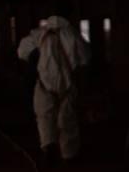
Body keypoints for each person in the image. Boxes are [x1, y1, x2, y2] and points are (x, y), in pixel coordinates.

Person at [16, 13, 89, 162]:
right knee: (67, 121)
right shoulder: (73, 36)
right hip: (66, 86)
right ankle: (68, 156)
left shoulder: (40, 35)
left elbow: (22, 51)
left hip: (45, 85)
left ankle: (51, 151)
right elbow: (85, 58)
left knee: (45, 119)